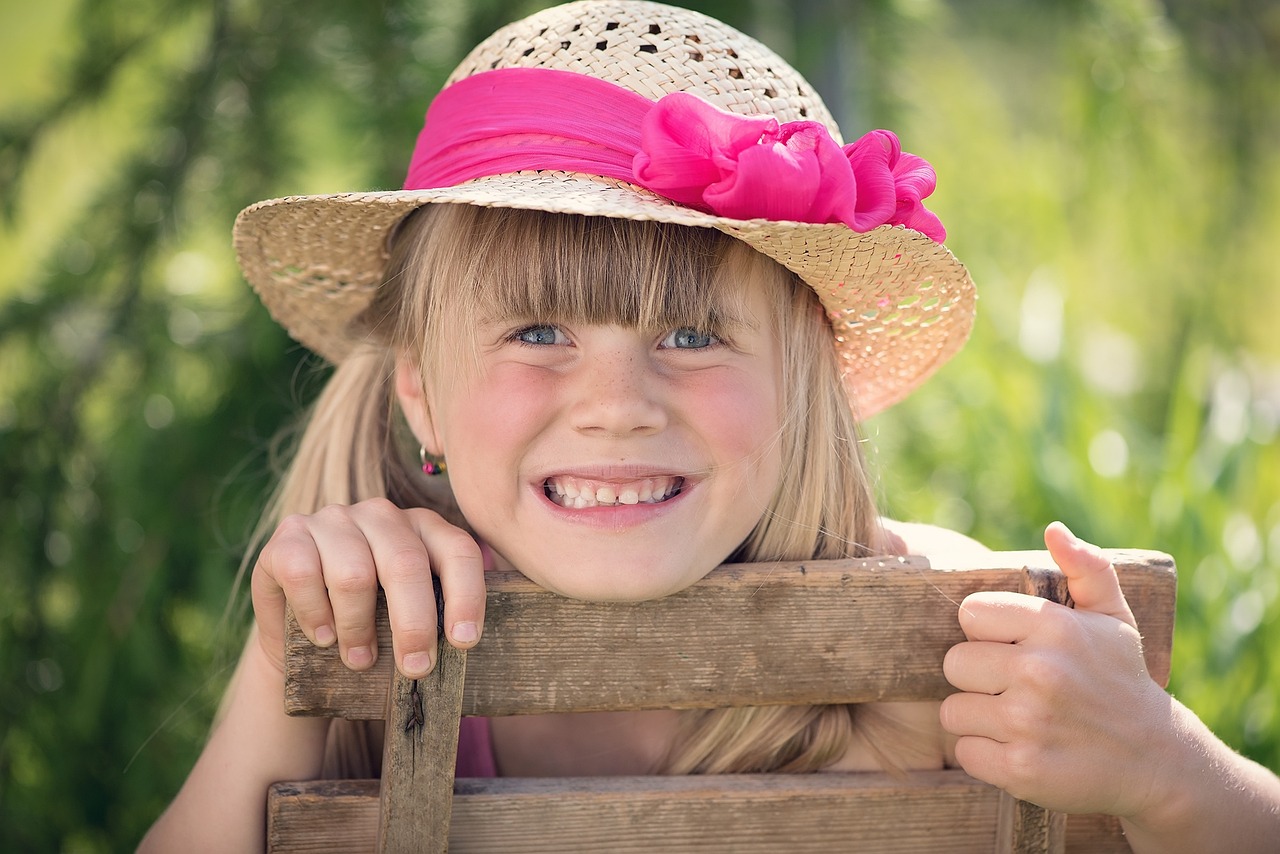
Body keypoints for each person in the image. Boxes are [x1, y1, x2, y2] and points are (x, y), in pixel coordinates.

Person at [142, 1, 1280, 850]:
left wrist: (1165, 770)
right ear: (419, 392)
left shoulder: (944, 639)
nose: (616, 403)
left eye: (691, 336)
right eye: (537, 331)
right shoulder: (373, 626)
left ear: (804, 385)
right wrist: (281, 659)